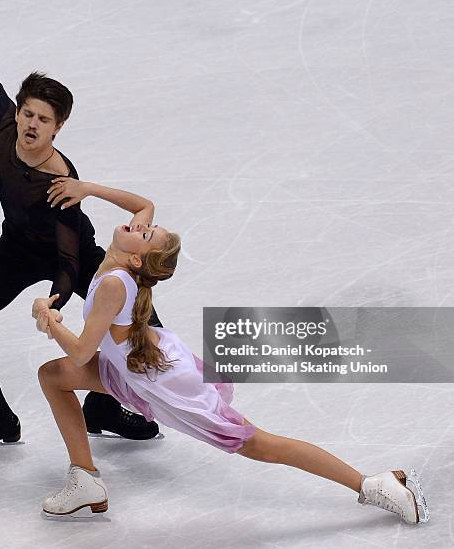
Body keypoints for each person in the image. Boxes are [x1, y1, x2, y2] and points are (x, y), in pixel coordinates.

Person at [32, 177, 429, 525]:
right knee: (53, 376)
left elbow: (84, 352)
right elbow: (143, 205)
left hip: (165, 382)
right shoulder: (128, 260)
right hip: (133, 365)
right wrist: (88, 189)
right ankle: (84, 478)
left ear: (137, 256)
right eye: (148, 227)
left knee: (259, 444)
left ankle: (371, 485)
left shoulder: (117, 283)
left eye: (147, 231)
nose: (143, 224)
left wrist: (50, 321)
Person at [0, 0, 159, 448]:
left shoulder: (60, 180)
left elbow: (68, 256)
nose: (31, 125)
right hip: (15, 248)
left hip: (70, 252)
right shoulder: (4, 122)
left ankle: (103, 407)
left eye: (44, 120)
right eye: (28, 113)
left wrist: (55, 302)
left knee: (144, 325)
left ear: (58, 128)